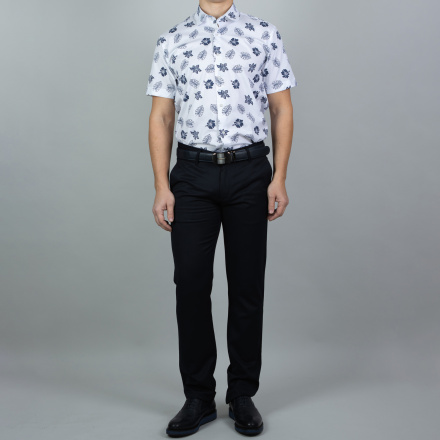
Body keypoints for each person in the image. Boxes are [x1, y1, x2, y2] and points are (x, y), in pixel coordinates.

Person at [146, 0, 297, 436]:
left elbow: (281, 108)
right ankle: (198, 397)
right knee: (191, 284)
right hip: (192, 175)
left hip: (250, 172)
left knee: (247, 285)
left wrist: (279, 177)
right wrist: (161, 185)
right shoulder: (172, 40)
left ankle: (242, 393)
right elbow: (162, 115)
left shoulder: (264, 33)